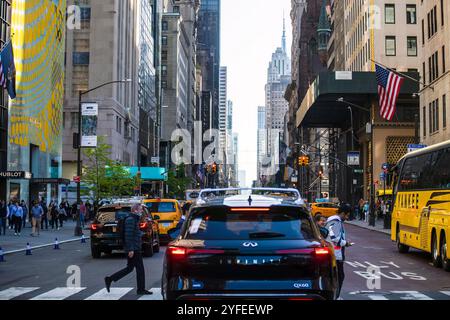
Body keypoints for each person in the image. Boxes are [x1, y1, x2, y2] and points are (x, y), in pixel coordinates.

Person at [104, 204, 152, 296]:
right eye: (140, 210)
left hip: (134, 247)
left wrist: (140, 234)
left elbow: (133, 233)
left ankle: (110, 279)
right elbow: (128, 235)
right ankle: (141, 289)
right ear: (135, 210)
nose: (142, 211)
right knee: (140, 269)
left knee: (129, 268)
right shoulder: (131, 220)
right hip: (134, 248)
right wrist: (130, 249)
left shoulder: (133, 219)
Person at [325, 204, 353, 299]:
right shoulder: (336, 222)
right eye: (347, 215)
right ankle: (335, 296)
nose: (347, 217)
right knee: (340, 276)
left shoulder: (333, 220)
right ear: (342, 213)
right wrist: (346, 243)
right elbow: (335, 238)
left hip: (333, 252)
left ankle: (334, 295)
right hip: (335, 254)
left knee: (335, 276)